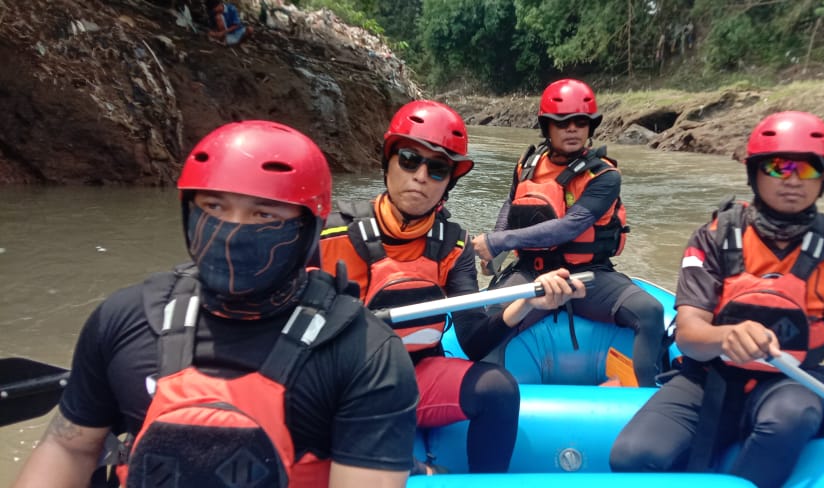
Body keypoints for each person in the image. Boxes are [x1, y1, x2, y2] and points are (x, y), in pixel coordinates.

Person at [12, 120, 418, 488]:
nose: (233, 229)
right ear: (188, 210)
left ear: (307, 229)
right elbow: (69, 448)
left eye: (263, 214)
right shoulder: (124, 318)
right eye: (214, 207)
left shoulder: (366, 354)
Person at [609, 111, 824, 487]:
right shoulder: (715, 237)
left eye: (807, 169)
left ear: (823, 177)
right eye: (778, 167)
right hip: (707, 378)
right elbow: (690, 334)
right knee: (630, 456)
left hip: (789, 385)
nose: (792, 180)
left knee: (789, 417)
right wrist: (726, 336)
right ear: (755, 172)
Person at [318, 100, 585, 474]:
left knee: (499, 388)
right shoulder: (328, 232)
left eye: (438, 168)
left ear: (449, 182)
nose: (421, 176)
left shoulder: (454, 245)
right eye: (409, 159)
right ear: (388, 161)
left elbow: (473, 341)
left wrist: (528, 300)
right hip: (342, 383)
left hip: (414, 375)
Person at [471, 78, 664, 387]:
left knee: (651, 311)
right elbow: (510, 207)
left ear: (590, 126)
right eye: (562, 122)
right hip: (531, 272)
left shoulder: (604, 175)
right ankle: (493, 395)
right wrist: (494, 255)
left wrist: (498, 241)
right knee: (490, 321)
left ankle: (643, 397)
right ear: (547, 126)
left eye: (580, 122)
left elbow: (568, 227)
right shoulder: (527, 165)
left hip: (586, 276)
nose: (572, 129)